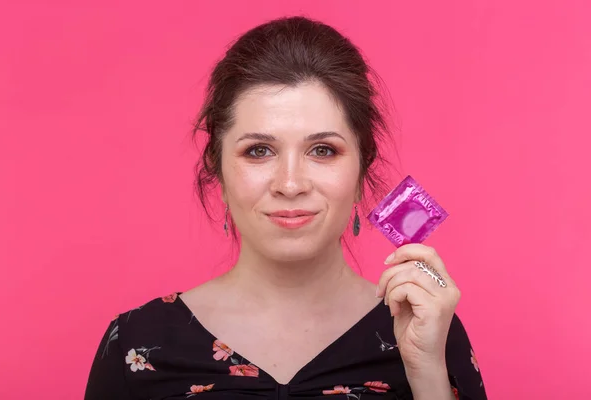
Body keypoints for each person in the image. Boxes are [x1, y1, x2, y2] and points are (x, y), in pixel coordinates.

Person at [84, 16, 487, 400]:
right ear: (218, 171)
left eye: (322, 150)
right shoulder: (135, 343)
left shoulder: (427, 329)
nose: (290, 184)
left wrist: (427, 371)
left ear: (362, 170)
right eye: (258, 151)